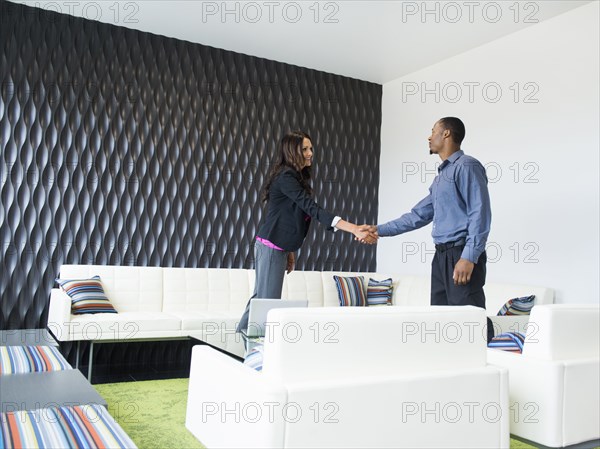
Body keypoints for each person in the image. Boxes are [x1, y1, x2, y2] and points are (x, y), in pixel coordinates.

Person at [361, 117, 494, 342]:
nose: (429, 136)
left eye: (433, 131)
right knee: (441, 321)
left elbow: (480, 213)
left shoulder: (467, 166)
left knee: (468, 322)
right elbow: (416, 216)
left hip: (461, 254)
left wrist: (469, 257)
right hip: (441, 257)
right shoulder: (442, 177)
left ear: (447, 134)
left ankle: (490, 361)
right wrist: (378, 230)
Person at [236, 131, 377, 332]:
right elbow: (312, 209)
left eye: (310, 148)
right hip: (271, 245)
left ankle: (243, 344)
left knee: (262, 298)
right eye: (304, 149)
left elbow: (288, 216)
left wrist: (289, 250)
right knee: (266, 301)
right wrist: (354, 228)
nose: (310, 153)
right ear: (292, 151)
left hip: (277, 246)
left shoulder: (294, 177)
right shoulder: (286, 177)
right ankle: (250, 348)